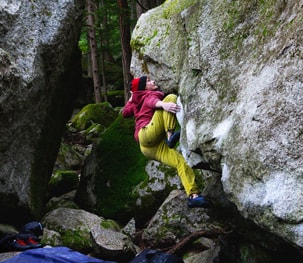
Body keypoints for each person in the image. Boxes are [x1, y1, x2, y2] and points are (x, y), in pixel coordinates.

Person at [122, 76, 212, 208]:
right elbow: (152, 101)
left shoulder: (136, 103)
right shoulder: (148, 95)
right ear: (143, 88)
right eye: (148, 81)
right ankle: (170, 135)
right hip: (147, 133)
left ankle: (194, 196)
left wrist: (132, 98)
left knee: (181, 162)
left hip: (148, 148)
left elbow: (125, 113)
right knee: (170, 98)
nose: (153, 81)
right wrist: (164, 104)